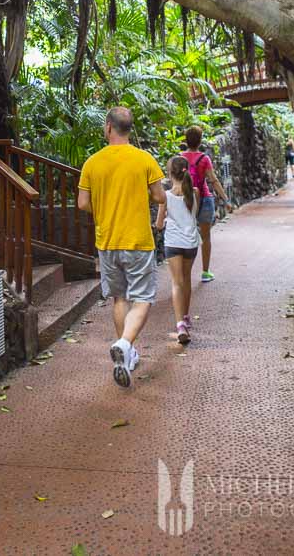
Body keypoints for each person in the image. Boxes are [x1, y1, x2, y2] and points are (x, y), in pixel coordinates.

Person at [78, 105, 165, 388]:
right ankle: (126, 344)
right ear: (129, 129)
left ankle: (125, 356)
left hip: (107, 241)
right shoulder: (144, 159)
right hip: (138, 241)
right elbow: (160, 196)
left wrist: (104, 209)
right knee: (142, 299)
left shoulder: (92, 163)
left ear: (108, 127)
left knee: (119, 298)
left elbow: (82, 203)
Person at [155, 156, 199, 345]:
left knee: (176, 282)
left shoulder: (166, 196)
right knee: (187, 279)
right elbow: (193, 213)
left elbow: (158, 225)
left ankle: (180, 323)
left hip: (173, 242)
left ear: (169, 173)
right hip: (191, 242)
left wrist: (163, 222)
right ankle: (186, 317)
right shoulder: (195, 192)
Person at [181, 126, 230, 283]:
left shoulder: (179, 158)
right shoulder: (204, 159)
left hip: (186, 200)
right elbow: (213, 180)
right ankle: (205, 271)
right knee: (206, 237)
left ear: (185, 140)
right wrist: (226, 200)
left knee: (185, 236)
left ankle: (184, 272)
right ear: (200, 141)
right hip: (205, 199)